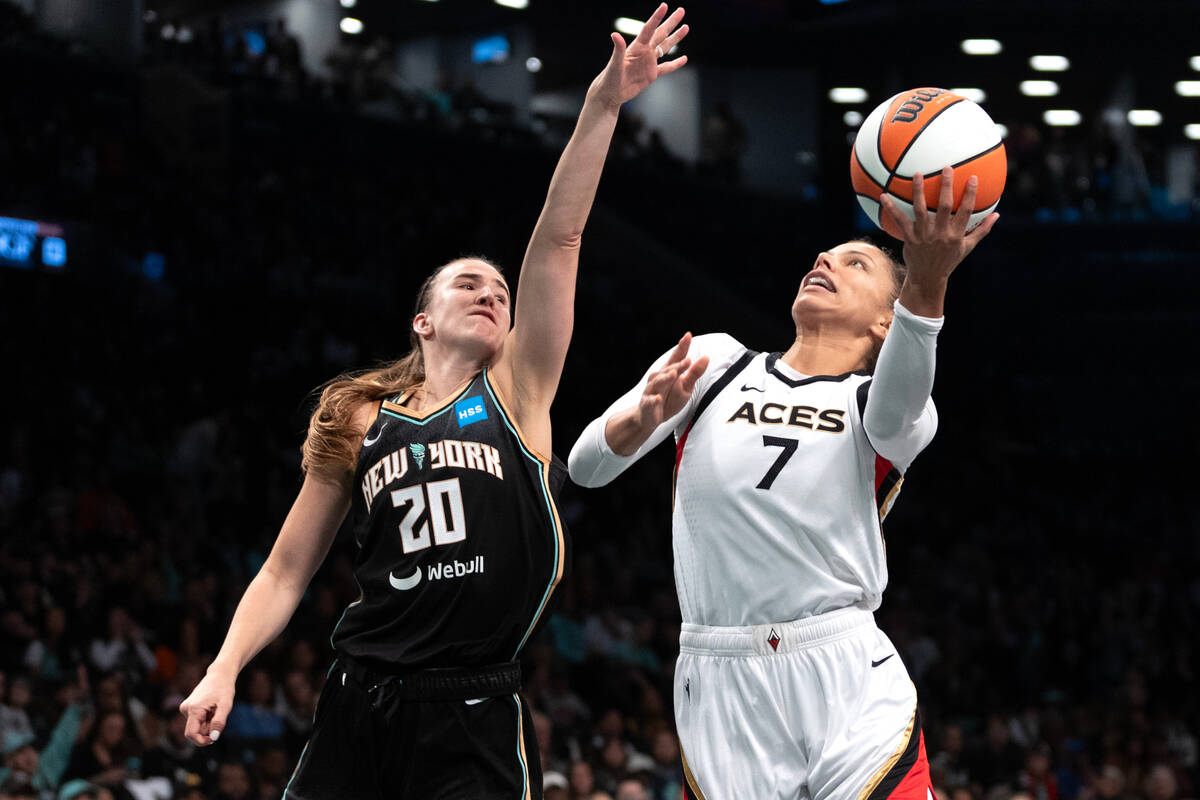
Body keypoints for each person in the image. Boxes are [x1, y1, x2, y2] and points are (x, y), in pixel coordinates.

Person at [178, 6, 691, 800]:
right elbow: (286, 570)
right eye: (468, 283)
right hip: (360, 697)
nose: (491, 292)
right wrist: (223, 669)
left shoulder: (518, 391)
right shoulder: (360, 419)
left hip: (472, 708)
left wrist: (600, 107)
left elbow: (558, 238)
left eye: (499, 289)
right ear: (423, 320)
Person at [568, 170, 998, 799]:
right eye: (828, 254)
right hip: (721, 677)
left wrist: (928, 280)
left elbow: (905, 389)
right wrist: (642, 418)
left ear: (886, 322)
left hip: (844, 672)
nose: (826, 259)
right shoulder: (714, 361)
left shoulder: (885, 407)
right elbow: (584, 467)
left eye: (856, 264)